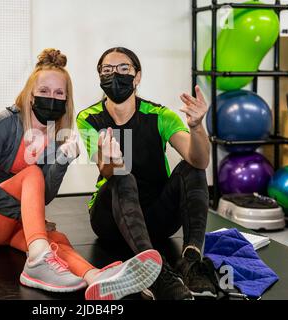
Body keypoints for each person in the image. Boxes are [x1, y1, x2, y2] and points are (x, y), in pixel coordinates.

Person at [0, 48, 162, 300]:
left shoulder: (56, 134)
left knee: (57, 239)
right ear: (30, 94)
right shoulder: (6, 122)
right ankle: (37, 260)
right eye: (43, 91)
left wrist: (63, 160)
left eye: (58, 93)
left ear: (66, 99)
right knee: (32, 174)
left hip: (13, 225)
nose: (50, 97)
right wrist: (24, 215)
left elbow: (42, 196)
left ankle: (95, 278)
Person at [76, 47, 216, 300]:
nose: (114, 75)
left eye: (123, 69)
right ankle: (156, 273)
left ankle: (192, 260)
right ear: (99, 77)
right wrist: (111, 162)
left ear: (137, 76)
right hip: (111, 221)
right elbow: (104, 170)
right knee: (121, 173)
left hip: (157, 218)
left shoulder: (160, 115)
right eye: (107, 70)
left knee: (191, 169)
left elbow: (200, 160)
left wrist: (197, 128)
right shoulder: (88, 118)